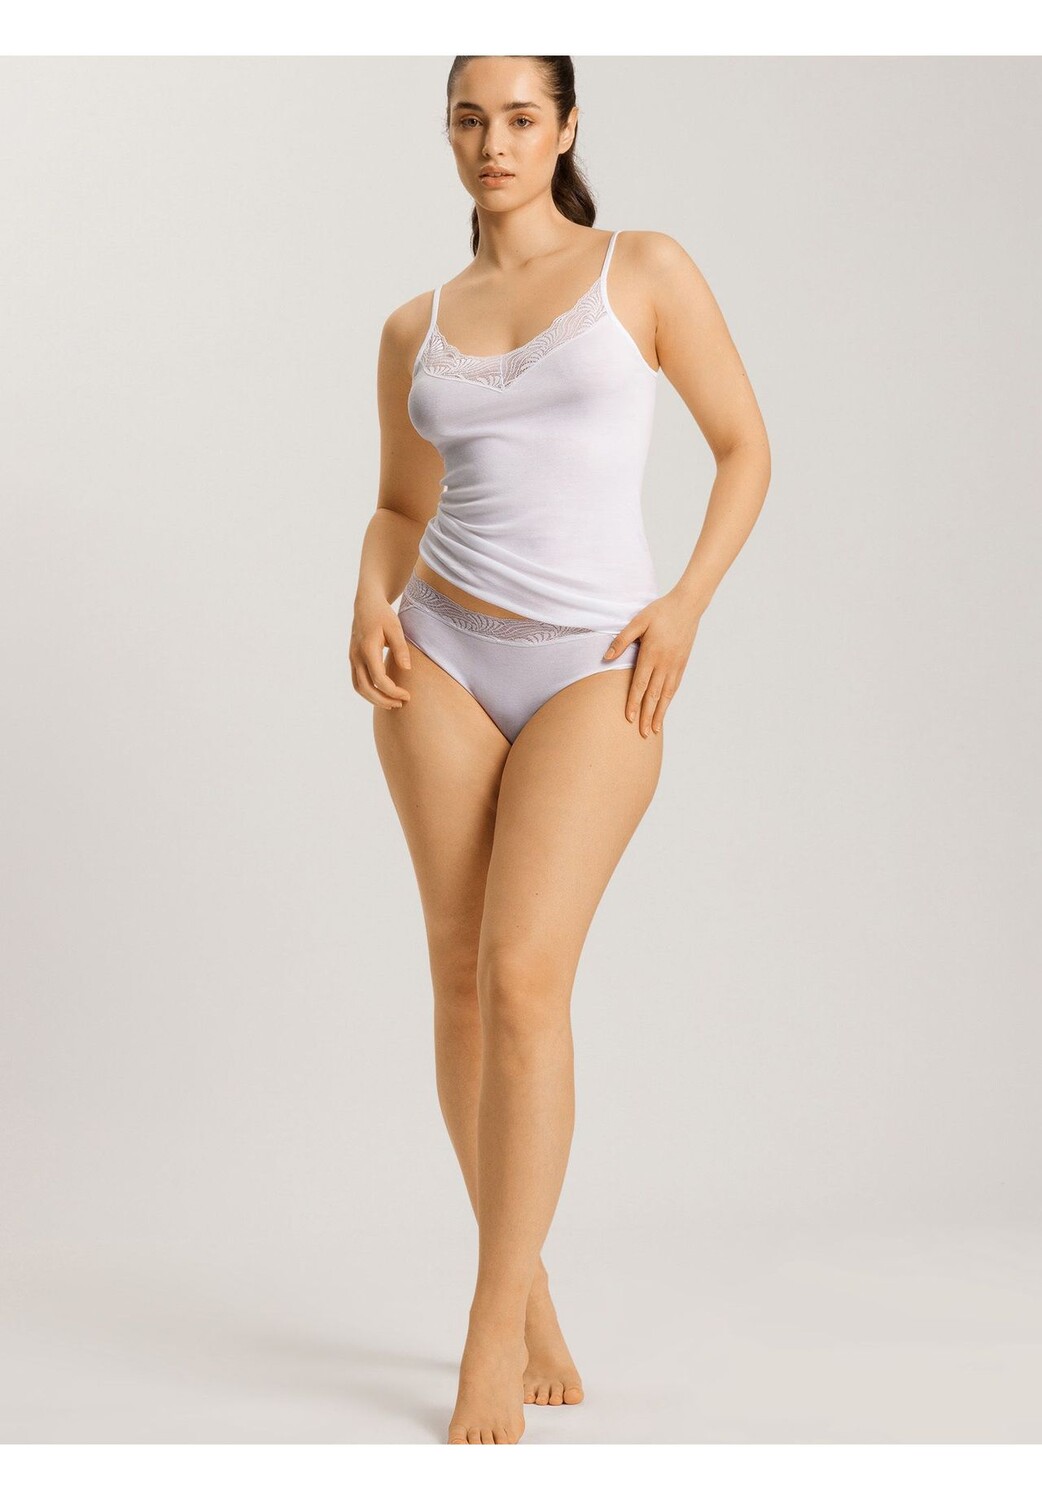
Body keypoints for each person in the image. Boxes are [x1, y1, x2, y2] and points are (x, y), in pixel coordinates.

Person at [350, 54, 771, 1444]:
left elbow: (745, 448)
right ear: (448, 133)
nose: (494, 142)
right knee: (460, 976)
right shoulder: (414, 325)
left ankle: (486, 1321)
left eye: (521, 118)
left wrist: (684, 607)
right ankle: (522, 1284)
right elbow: (400, 508)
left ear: (566, 127)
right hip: (438, 655)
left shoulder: (641, 269)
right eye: (469, 118)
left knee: (527, 978)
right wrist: (367, 593)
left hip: (599, 660)